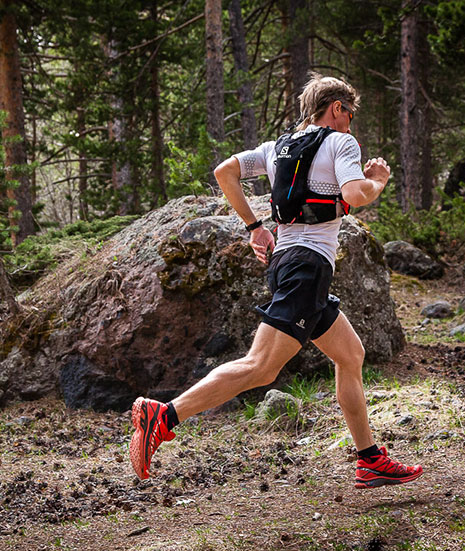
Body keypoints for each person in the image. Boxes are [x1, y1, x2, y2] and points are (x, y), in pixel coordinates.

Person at [129, 74, 423, 489]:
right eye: (349, 115)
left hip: (287, 261)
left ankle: (370, 460)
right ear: (337, 108)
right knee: (261, 367)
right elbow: (356, 195)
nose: (349, 123)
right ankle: (164, 415)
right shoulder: (341, 143)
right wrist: (378, 179)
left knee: (350, 354)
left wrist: (255, 227)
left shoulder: (275, 148)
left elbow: (224, 171)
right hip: (308, 268)